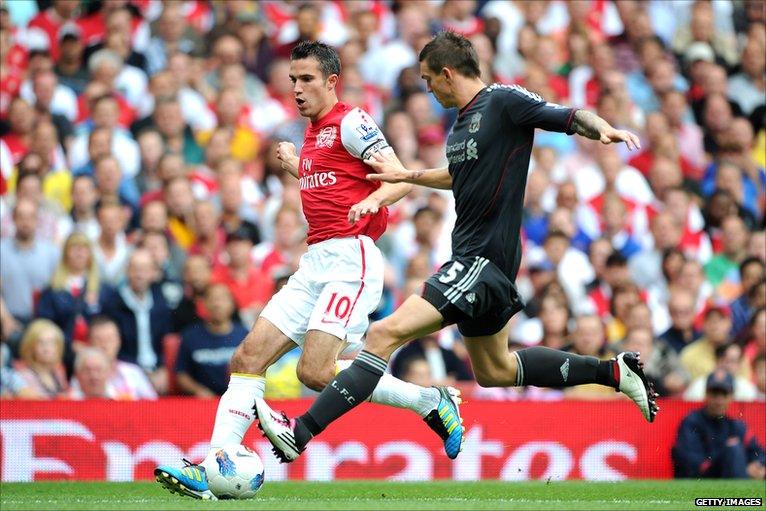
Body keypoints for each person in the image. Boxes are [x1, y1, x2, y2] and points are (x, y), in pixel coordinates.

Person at [255, 31, 658, 464]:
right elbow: (455, 175)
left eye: (429, 80)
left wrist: (604, 129)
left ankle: (301, 431)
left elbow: (566, 114)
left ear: (448, 74)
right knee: (495, 370)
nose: (428, 89)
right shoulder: (463, 123)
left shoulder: (502, 101)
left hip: (480, 260)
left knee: (383, 333)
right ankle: (614, 371)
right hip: (482, 261)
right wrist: (407, 177)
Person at [155, 40, 467, 500]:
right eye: (292, 81)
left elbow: (398, 178)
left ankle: (430, 401)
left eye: (306, 80)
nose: (297, 90)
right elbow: (333, 186)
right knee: (246, 359)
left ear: (331, 82)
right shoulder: (312, 134)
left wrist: (372, 200)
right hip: (315, 261)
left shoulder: (353, 121)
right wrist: (296, 167)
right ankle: (213, 463)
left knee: (315, 371)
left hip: (351, 259)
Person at [672, 370, 766, 479]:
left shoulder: (736, 426)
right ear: (706, 394)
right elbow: (692, 464)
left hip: (730, 478)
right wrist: (740, 464)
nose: (719, 400)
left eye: (724, 394)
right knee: (733, 449)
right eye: (715, 394)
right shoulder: (692, 422)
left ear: (731, 397)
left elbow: (760, 454)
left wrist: (758, 466)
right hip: (700, 483)